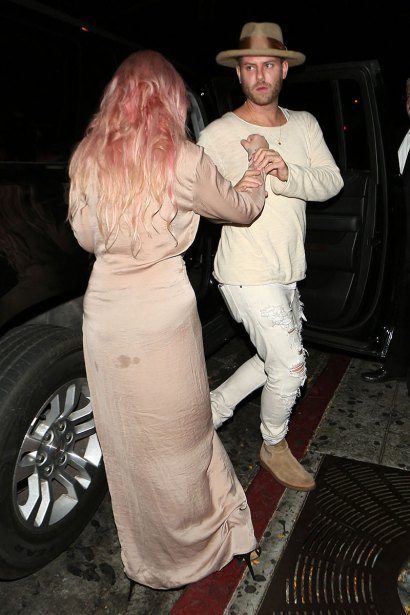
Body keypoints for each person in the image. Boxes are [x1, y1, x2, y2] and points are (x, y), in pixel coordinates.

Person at [68, 50, 269, 593]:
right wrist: (256, 177)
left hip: (106, 315)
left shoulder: (88, 156)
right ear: (171, 99)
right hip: (161, 315)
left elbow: (84, 238)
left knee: (128, 440)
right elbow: (241, 209)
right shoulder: (182, 158)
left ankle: (150, 554)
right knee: (181, 438)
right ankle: (197, 543)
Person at [197, 22, 344, 492]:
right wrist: (234, 195)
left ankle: (212, 411)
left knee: (271, 360)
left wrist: (285, 171)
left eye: (268, 65)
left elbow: (332, 182)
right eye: (249, 67)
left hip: (287, 268)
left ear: (283, 70)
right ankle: (273, 444)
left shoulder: (304, 125)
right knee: (291, 366)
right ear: (238, 74)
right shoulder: (219, 134)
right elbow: (195, 200)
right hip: (245, 270)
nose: (259, 75)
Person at [361, 77, 410, 386]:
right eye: (409, 96)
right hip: (405, 241)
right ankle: (396, 365)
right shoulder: (404, 138)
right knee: (403, 303)